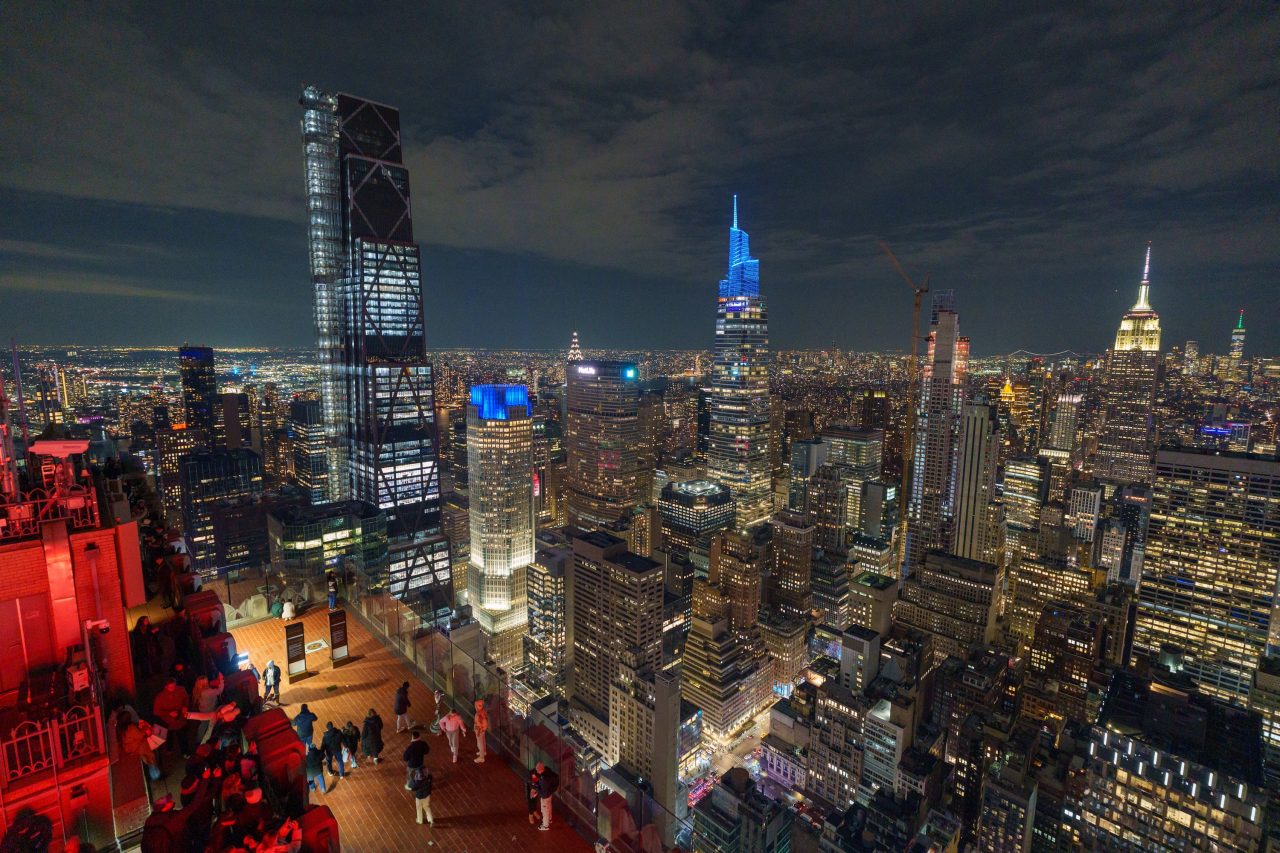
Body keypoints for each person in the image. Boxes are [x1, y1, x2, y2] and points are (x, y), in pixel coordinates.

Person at [152, 677, 190, 757]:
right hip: (168, 722)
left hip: (180, 720)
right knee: (169, 736)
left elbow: (186, 698)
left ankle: (185, 752)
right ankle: (169, 749)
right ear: (165, 686)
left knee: (183, 736)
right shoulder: (160, 697)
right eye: (170, 687)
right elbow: (156, 711)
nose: (173, 688)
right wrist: (168, 713)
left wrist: (185, 706)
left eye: (174, 686)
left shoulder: (181, 689)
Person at [535, 760, 559, 831]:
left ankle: (545, 825)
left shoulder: (544, 780)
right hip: (550, 793)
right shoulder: (548, 770)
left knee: (544, 810)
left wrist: (537, 790)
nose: (536, 771)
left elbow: (543, 792)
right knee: (549, 806)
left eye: (537, 770)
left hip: (545, 796)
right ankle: (550, 819)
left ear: (541, 770)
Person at [473, 699, 489, 763]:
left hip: (479, 730)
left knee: (480, 743)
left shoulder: (477, 714)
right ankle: (483, 752)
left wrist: (477, 730)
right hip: (483, 730)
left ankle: (481, 757)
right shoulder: (483, 711)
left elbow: (477, 723)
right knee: (483, 741)